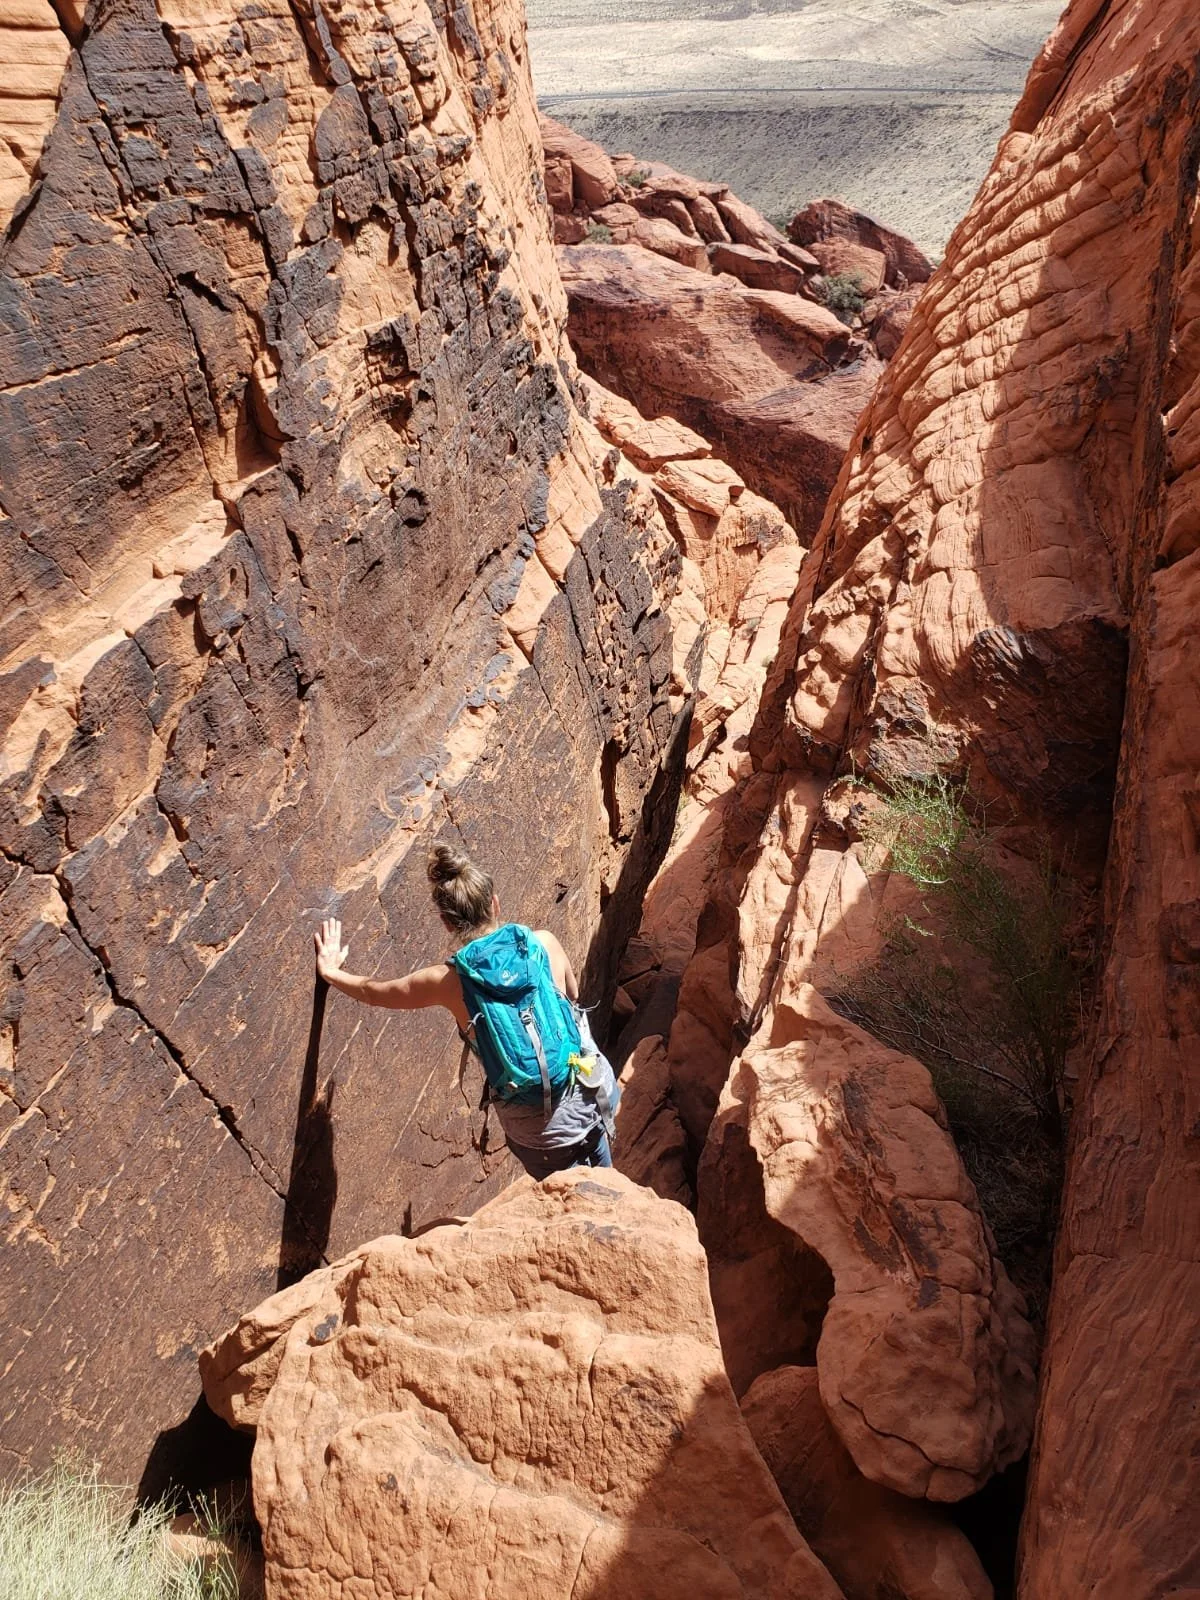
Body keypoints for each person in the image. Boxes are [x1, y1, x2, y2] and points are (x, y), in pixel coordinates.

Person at [312, 844, 619, 1180]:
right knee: (606, 1180)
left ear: (447, 923)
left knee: (571, 1200)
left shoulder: (447, 982)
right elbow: (573, 998)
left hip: (542, 1136)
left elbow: (374, 993)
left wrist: (331, 972)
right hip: (594, 1092)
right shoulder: (542, 942)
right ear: (494, 902)